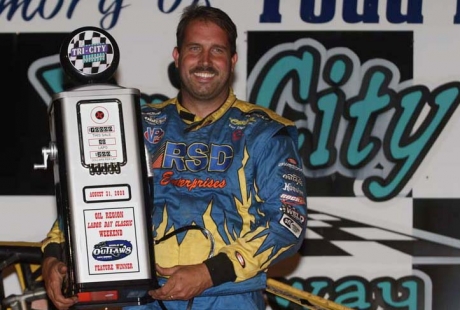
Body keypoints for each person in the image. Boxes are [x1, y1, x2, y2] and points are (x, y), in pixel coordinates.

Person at [41, 4, 307, 310]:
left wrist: (209, 273)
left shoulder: (265, 132)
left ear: (232, 61)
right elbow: (86, 194)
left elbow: (288, 225)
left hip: (227, 297)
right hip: (143, 299)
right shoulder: (134, 123)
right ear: (177, 56)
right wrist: (54, 256)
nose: (205, 61)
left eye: (217, 50)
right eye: (195, 48)